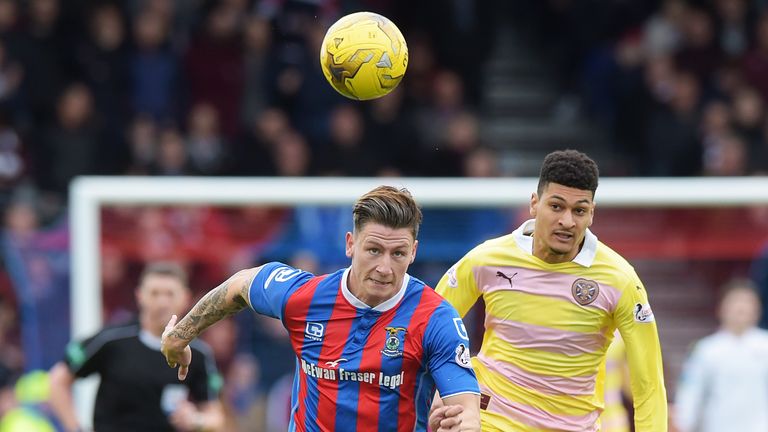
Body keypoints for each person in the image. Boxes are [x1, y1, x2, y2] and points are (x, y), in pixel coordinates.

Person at [161, 186, 481, 431]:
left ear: (413, 252)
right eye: (373, 250)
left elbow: (465, 406)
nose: (384, 267)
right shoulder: (306, 297)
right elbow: (240, 285)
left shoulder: (434, 318)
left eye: (397, 254)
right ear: (350, 244)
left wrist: (463, 423)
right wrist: (180, 335)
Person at [429, 150, 667, 431]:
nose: (567, 221)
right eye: (556, 206)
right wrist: (436, 395)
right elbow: (430, 328)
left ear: (591, 214)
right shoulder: (487, 259)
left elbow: (648, 383)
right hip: (492, 419)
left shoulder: (620, 279)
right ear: (534, 204)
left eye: (579, 210)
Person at [48, 262, 224, 432]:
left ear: (185, 298)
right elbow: (58, 381)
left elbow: (216, 416)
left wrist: (196, 421)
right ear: (140, 295)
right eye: (154, 293)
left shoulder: (198, 353)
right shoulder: (112, 339)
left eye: (170, 294)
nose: (162, 302)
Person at [674, 279, 768, 432]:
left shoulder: (765, 346)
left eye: (747, 303)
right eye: (735, 302)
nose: (741, 308)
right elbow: (691, 394)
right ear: (721, 308)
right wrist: (684, 424)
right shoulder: (706, 350)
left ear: (757, 309)